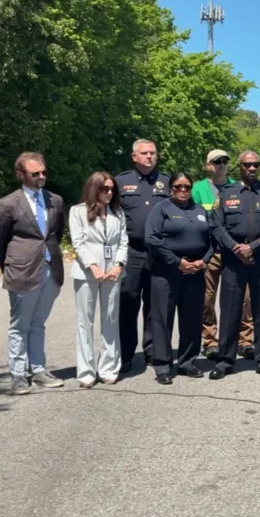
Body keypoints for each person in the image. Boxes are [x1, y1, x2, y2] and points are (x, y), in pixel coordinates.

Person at [0, 152, 66, 395]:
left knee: (38, 323)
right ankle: (18, 375)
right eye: (35, 173)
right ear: (21, 175)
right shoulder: (8, 204)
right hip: (22, 271)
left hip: (50, 269)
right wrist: (10, 264)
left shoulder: (55, 200)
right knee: (20, 325)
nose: (41, 177)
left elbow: (56, 233)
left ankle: (39, 370)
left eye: (43, 172)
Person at [208, 150, 260, 380]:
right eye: (247, 165)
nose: (252, 168)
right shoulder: (226, 193)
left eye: (256, 165)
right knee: (230, 309)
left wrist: (255, 246)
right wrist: (235, 247)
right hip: (232, 259)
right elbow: (216, 224)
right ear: (239, 167)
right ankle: (225, 360)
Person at [144, 173, 212, 384]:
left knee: (192, 320)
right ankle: (163, 365)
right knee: (163, 319)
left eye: (186, 187)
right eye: (177, 186)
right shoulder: (161, 208)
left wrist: (204, 261)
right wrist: (177, 262)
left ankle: (187, 362)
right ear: (170, 188)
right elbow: (152, 238)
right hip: (167, 271)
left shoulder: (200, 210)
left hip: (195, 271)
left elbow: (212, 240)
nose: (182, 190)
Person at [191, 149, 255, 361]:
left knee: (244, 298)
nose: (221, 165)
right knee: (207, 298)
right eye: (217, 162)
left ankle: (245, 342)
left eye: (225, 161)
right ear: (208, 165)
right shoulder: (198, 189)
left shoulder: (235, 187)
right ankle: (210, 341)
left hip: (234, 251)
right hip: (208, 251)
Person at [68, 171, 128, 388]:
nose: (109, 193)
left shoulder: (117, 213)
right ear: (94, 189)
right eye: (104, 189)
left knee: (111, 320)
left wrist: (118, 265)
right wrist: (92, 266)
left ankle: (109, 367)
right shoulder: (77, 212)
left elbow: (123, 242)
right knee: (85, 322)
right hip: (86, 273)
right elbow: (78, 242)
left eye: (112, 189)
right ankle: (85, 371)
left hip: (113, 273)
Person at [116, 138, 170, 373]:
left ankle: (152, 351)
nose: (149, 156)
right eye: (144, 153)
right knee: (128, 302)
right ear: (134, 156)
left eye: (153, 153)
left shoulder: (168, 182)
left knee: (155, 305)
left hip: (159, 253)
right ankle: (126, 354)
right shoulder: (120, 182)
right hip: (132, 251)